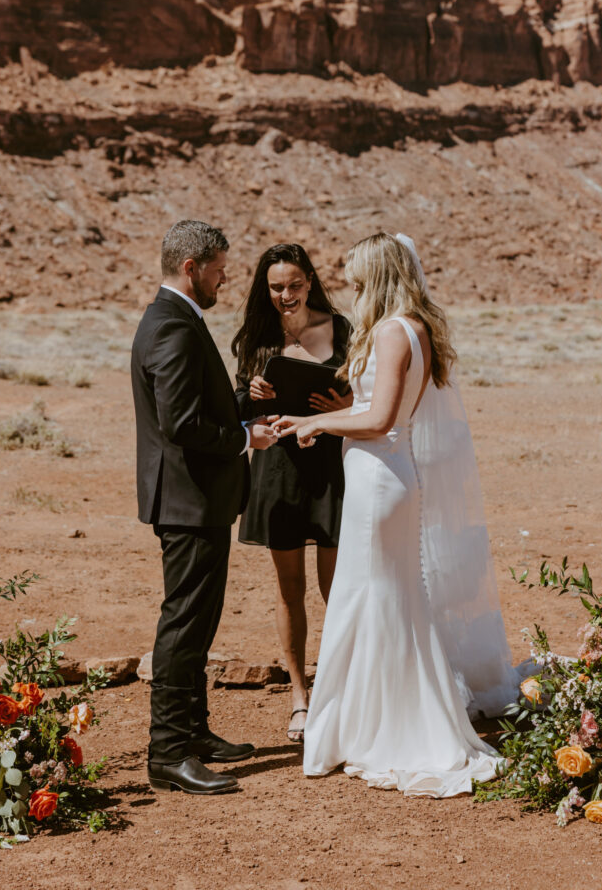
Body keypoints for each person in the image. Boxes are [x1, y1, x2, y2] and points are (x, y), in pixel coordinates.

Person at [274, 232, 514, 796]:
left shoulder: (388, 330)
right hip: (389, 476)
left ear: (378, 278)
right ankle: (384, 720)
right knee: (391, 598)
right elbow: (386, 412)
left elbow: (381, 419)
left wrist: (315, 423)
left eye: (358, 280)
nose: (352, 291)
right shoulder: (415, 328)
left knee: (375, 597)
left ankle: (377, 728)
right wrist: (339, 415)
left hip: (380, 480)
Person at [131, 219, 276, 795]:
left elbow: (191, 406)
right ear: (191, 268)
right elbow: (182, 423)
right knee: (184, 625)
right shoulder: (172, 326)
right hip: (188, 502)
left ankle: (193, 731)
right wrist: (247, 439)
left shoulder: (173, 319)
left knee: (198, 621)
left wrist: (241, 406)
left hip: (197, 500)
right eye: (218, 270)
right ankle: (167, 754)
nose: (225, 279)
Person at [232, 244, 352, 743]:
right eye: (277, 286)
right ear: (267, 288)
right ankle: (300, 699)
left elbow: (364, 395)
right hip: (278, 468)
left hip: (331, 465)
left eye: (295, 284)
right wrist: (250, 397)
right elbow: (235, 406)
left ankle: (342, 691)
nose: (287, 294)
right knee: (289, 589)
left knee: (337, 589)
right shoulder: (255, 337)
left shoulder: (339, 328)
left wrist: (342, 402)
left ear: (310, 282)